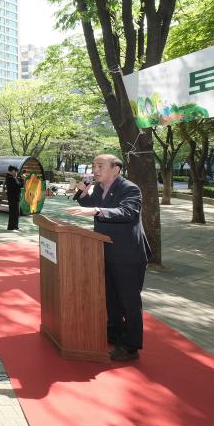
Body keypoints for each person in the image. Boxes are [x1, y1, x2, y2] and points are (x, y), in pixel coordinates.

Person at [66, 154, 150, 362]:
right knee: (111, 297)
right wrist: (84, 194)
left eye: (100, 165)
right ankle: (114, 333)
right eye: (94, 165)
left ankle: (131, 346)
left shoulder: (130, 189)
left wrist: (96, 210)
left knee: (129, 300)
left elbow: (126, 212)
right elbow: (91, 205)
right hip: (105, 251)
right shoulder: (100, 189)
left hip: (128, 254)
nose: (95, 169)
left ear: (116, 169)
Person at [5, 165, 22, 231]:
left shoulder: (11, 177)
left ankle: (14, 226)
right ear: (13, 171)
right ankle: (11, 227)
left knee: (15, 212)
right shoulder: (10, 178)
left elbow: (18, 185)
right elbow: (19, 186)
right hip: (13, 197)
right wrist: (21, 180)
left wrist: (18, 179)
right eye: (16, 172)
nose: (16, 173)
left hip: (13, 197)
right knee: (14, 212)